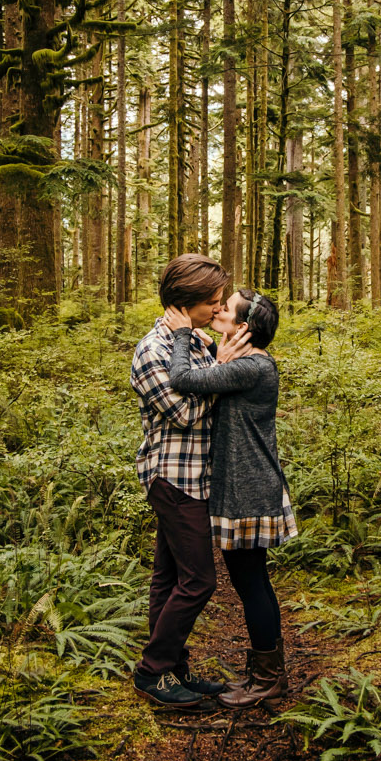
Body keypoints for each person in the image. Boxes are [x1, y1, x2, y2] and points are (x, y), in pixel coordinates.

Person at [127, 254, 253, 710]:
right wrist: (219, 377)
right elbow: (184, 413)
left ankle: (173, 669)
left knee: (170, 577)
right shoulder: (152, 351)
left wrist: (216, 367)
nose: (218, 311)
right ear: (186, 302)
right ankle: (151, 671)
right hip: (172, 477)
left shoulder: (192, 341)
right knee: (199, 581)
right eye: (212, 304)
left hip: (197, 477)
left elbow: (218, 377)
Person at [162, 288, 292, 707]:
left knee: (251, 582)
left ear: (242, 328)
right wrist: (214, 351)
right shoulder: (245, 362)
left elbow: (182, 380)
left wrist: (182, 335)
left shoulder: (250, 367)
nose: (217, 310)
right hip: (244, 486)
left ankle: (269, 679)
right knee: (250, 581)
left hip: (249, 490)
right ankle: (264, 673)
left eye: (226, 309)